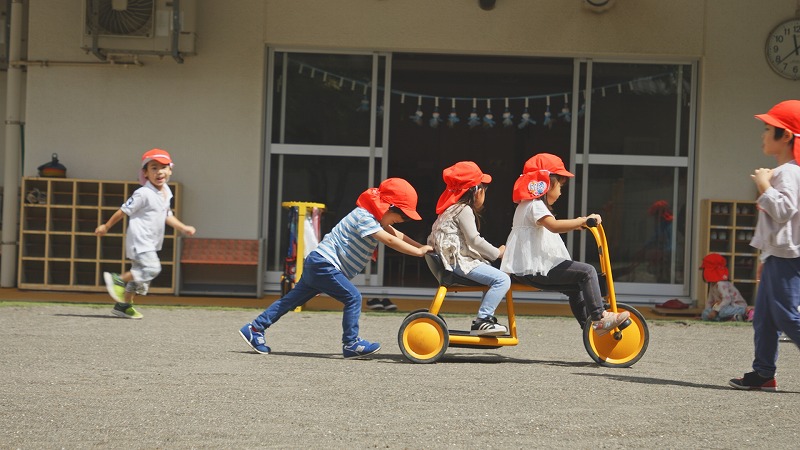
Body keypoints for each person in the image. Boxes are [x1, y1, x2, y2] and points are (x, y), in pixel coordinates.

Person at [239, 178, 432, 358]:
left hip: (318, 263)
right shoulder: (364, 217)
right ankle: (351, 343)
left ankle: (255, 328)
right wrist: (418, 253)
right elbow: (390, 239)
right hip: (324, 264)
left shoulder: (374, 219)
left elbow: (396, 234)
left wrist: (420, 246)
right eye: (396, 219)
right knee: (353, 297)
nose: (396, 223)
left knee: (289, 301)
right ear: (387, 207)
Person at [500, 153, 629, 336]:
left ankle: (589, 325)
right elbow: (554, 226)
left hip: (529, 270)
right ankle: (599, 317)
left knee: (575, 287)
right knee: (587, 272)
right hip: (536, 269)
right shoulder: (534, 205)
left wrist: (580, 224)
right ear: (546, 182)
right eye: (560, 185)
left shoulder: (528, 205)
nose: (560, 191)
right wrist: (582, 221)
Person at [730, 100, 800, 391]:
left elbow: (785, 210)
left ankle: (763, 371)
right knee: (766, 318)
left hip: (787, 256)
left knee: (785, 314)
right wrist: (766, 255)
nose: (762, 134)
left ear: (786, 135)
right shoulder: (786, 171)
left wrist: (764, 185)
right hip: (778, 255)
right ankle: (763, 373)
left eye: (768, 129)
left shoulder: (788, 172)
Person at [95, 148, 196, 319]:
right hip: (139, 240)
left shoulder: (166, 192)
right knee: (152, 268)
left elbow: (167, 215)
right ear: (146, 173)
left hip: (151, 242)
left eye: (163, 167)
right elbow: (123, 211)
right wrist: (106, 226)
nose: (159, 172)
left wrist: (183, 227)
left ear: (170, 170)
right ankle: (117, 279)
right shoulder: (143, 193)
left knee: (139, 278)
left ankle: (123, 306)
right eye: (153, 168)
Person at [428, 161, 510, 335]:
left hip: (450, 261)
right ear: (476, 191)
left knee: (490, 273)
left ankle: (485, 319)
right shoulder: (463, 209)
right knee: (502, 280)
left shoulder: (450, 209)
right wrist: (498, 253)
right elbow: (474, 240)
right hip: (458, 263)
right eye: (484, 190)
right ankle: (483, 319)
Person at [699, 253, 752, 322]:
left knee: (723, 312)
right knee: (705, 313)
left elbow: (727, 300)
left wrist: (715, 311)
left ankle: (745, 312)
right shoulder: (712, 284)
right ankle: (734, 318)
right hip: (721, 308)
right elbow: (710, 301)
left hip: (734, 306)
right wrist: (707, 314)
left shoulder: (721, 284)